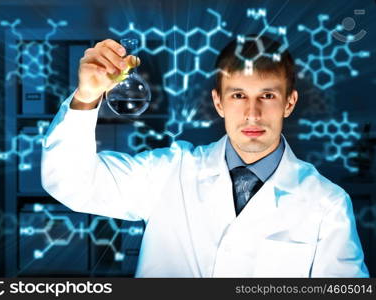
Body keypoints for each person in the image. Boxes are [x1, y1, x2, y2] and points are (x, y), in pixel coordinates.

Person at [41, 35, 369, 277]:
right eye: (238, 95)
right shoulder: (169, 172)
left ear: (289, 102)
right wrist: (86, 96)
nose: (252, 114)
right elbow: (71, 182)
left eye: (267, 95)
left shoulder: (327, 203)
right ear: (218, 102)